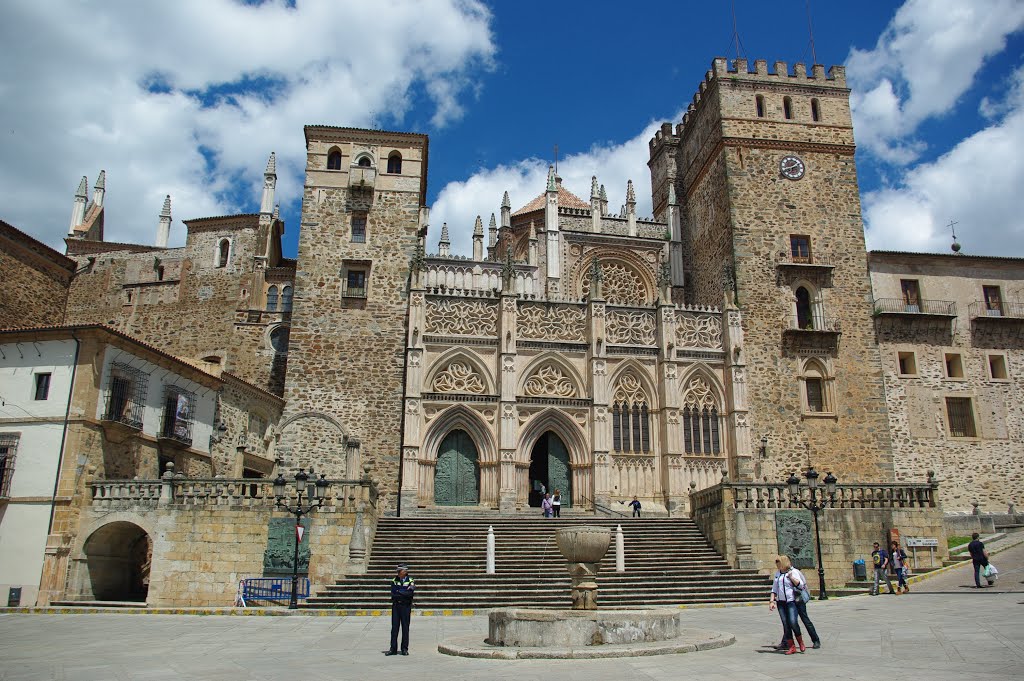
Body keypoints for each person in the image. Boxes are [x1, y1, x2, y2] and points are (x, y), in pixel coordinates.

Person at [769, 555, 805, 654]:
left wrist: (791, 577)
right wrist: (772, 601)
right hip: (781, 602)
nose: (777, 565)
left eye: (779, 563)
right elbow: (774, 589)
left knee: (793, 622)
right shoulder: (778, 574)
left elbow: (801, 585)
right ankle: (792, 646)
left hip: (791, 601)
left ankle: (800, 642)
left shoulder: (793, 572)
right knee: (786, 624)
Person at [385, 564, 415, 656]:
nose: (398, 572)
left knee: (405, 628)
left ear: (405, 572)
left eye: (400, 571)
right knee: (394, 628)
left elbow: (410, 594)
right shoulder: (394, 580)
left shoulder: (411, 580)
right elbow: (393, 594)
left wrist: (400, 591)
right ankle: (393, 648)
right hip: (396, 606)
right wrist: (403, 592)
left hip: (406, 606)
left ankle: (404, 649)